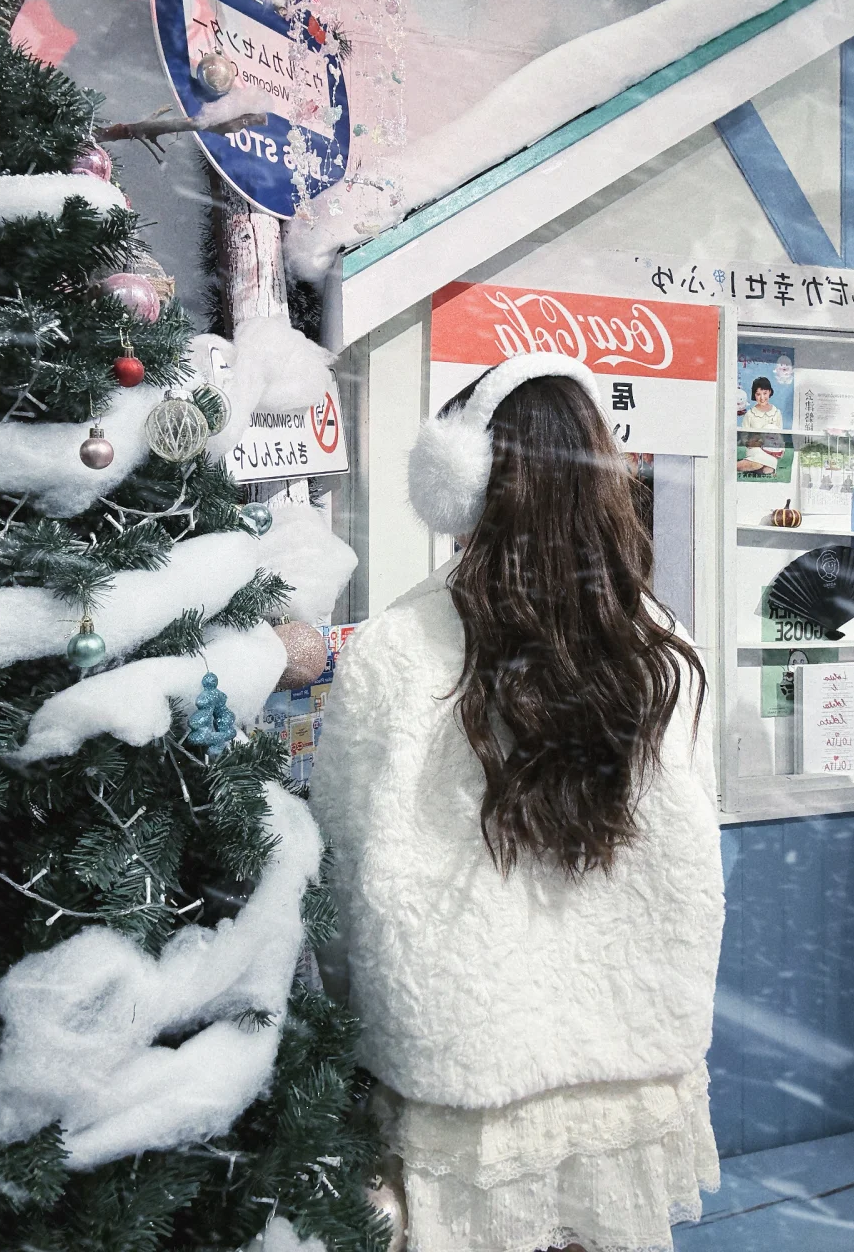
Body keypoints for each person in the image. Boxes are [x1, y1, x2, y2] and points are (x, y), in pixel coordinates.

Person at [311, 352, 725, 1252]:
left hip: (464, 1070)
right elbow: (693, 847)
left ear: (459, 481)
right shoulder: (660, 646)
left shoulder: (398, 648)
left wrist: (340, 1017)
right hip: (628, 1062)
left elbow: (339, 864)